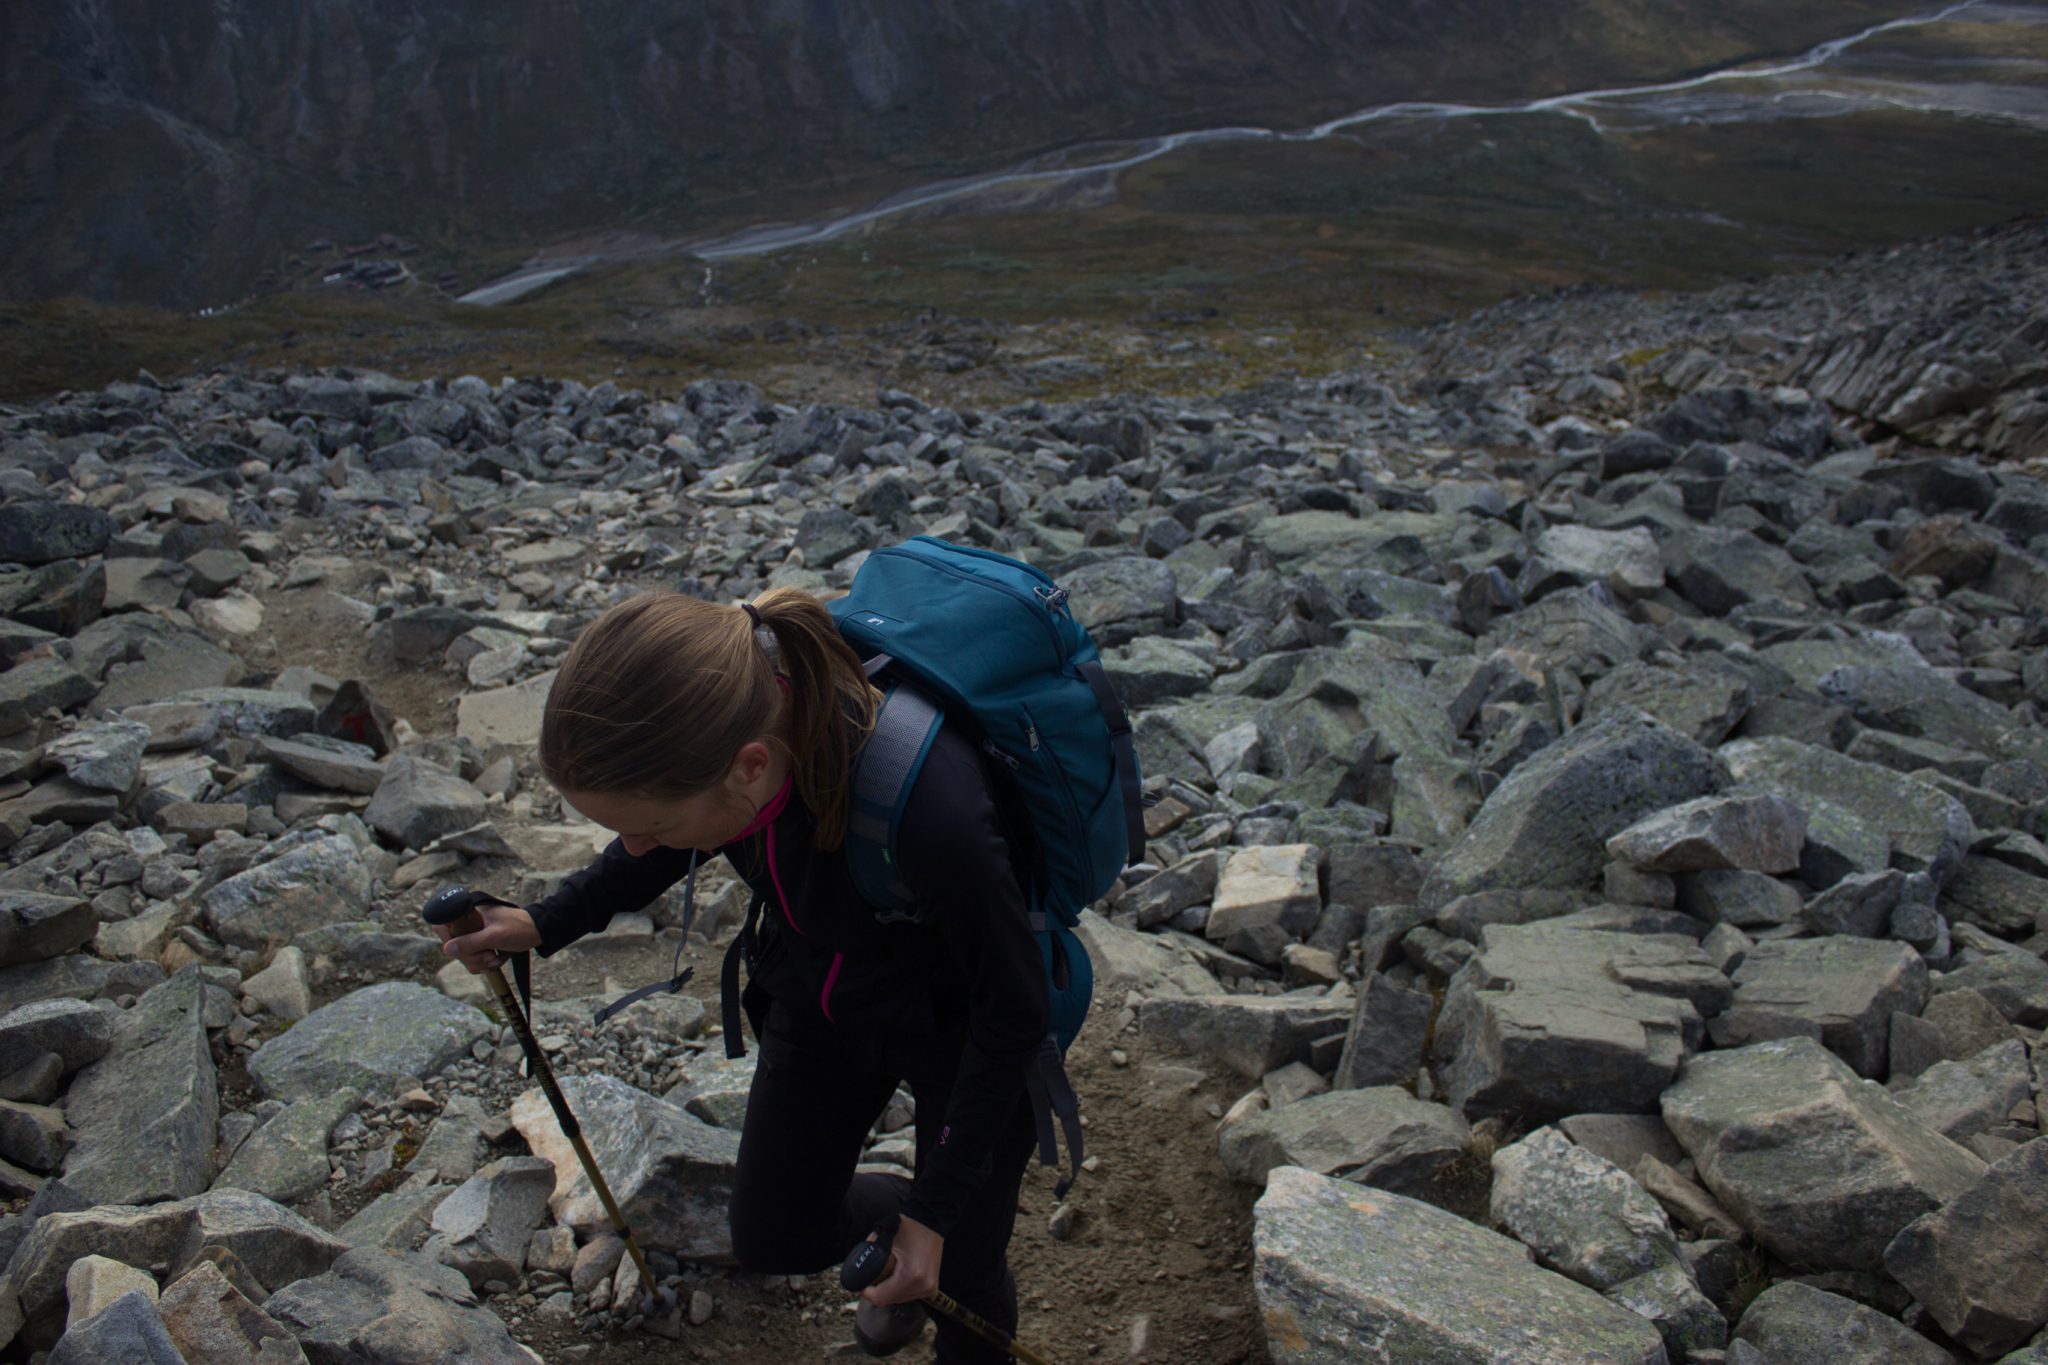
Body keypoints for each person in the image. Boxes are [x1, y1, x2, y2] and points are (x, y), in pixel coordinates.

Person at [434, 587, 1049, 1363]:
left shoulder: (934, 810)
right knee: (776, 1233)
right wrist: (546, 922)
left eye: (654, 825)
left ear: (750, 769)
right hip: (819, 990)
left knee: (959, 1267)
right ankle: (894, 1224)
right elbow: (650, 846)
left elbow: (1017, 1010)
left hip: (965, 1034)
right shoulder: (731, 730)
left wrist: (938, 1212)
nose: (639, 842)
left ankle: (934, 1260)